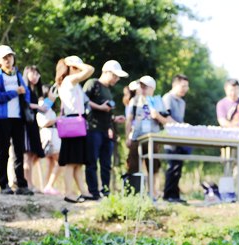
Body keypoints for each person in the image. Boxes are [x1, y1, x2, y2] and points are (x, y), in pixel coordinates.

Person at [0, 45, 34, 195]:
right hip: (2, 118)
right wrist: (14, 92)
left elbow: (26, 92)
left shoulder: (18, 74)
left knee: (19, 151)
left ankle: (21, 183)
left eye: (10, 56)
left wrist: (23, 97)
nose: (8, 60)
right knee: (4, 152)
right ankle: (4, 184)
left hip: (18, 118)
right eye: (5, 57)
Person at [83, 60, 128, 199]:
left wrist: (114, 118)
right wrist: (99, 107)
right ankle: (93, 192)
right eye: (115, 76)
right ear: (107, 72)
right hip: (92, 128)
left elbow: (106, 111)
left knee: (106, 164)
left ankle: (106, 191)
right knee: (92, 162)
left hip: (106, 130)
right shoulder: (93, 84)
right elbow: (82, 100)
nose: (117, 79)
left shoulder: (108, 90)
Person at [125, 75, 174, 199]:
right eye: (141, 86)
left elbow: (166, 121)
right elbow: (129, 120)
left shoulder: (158, 102)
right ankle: (134, 194)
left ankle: (152, 192)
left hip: (153, 138)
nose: (142, 89)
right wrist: (127, 137)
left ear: (151, 88)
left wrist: (156, 115)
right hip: (137, 137)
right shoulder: (135, 101)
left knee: (153, 166)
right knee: (133, 165)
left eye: (144, 87)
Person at [55, 55, 95, 203]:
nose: (79, 69)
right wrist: (72, 63)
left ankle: (83, 191)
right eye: (76, 67)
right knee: (71, 162)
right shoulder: (68, 80)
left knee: (78, 162)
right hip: (73, 123)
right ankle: (69, 193)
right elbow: (90, 69)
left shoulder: (73, 83)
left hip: (78, 123)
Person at [216, 78, 239, 202]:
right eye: (231, 90)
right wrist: (235, 128)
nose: (234, 92)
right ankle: (228, 195)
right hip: (228, 140)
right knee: (228, 166)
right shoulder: (221, 104)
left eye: (236, 89)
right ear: (226, 90)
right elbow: (222, 121)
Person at [162, 74, 190, 203]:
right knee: (172, 166)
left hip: (181, 137)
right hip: (171, 137)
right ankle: (168, 195)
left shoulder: (182, 102)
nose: (185, 89)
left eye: (187, 86)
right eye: (183, 86)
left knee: (178, 167)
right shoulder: (168, 98)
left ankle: (175, 194)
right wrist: (179, 127)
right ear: (175, 85)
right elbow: (166, 117)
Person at [22, 65, 46, 191]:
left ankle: (30, 183)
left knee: (32, 155)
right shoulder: (25, 89)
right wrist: (37, 106)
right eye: (33, 74)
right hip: (26, 124)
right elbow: (24, 104)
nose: (36, 76)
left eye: (37, 74)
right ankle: (27, 184)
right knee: (27, 155)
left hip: (34, 124)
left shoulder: (34, 91)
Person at [36, 84, 61, 195]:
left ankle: (47, 186)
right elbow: (43, 122)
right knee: (60, 161)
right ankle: (48, 185)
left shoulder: (48, 105)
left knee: (51, 162)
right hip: (48, 134)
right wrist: (57, 119)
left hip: (52, 134)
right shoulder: (43, 104)